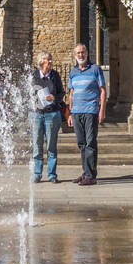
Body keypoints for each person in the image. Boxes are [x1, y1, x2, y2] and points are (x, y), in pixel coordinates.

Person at [66, 43, 106, 186]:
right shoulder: (73, 72)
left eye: (83, 52)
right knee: (81, 143)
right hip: (76, 112)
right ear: (75, 55)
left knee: (90, 142)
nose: (81, 55)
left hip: (91, 111)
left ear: (87, 53)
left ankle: (91, 175)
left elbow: (102, 91)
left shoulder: (95, 69)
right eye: (78, 53)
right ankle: (85, 173)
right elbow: (71, 94)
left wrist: (102, 110)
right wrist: (69, 113)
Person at [29, 52, 65, 183]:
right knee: (37, 145)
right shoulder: (33, 76)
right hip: (36, 113)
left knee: (51, 145)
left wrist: (54, 97)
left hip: (52, 113)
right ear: (41, 62)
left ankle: (52, 174)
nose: (50, 62)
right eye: (47, 60)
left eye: (50, 59)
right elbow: (26, 93)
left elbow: (61, 93)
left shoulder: (55, 76)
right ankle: (37, 174)